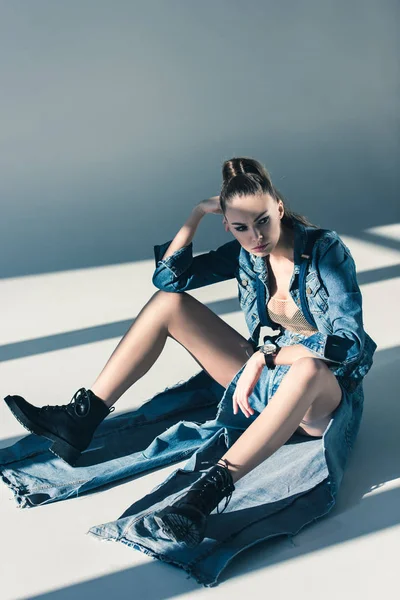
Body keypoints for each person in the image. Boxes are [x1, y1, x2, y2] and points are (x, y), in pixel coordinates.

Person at [3, 156, 376, 549]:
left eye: (263, 220)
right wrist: (196, 214)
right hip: (262, 382)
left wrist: (264, 357)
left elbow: (347, 343)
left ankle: (206, 494)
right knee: (168, 302)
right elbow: (169, 278)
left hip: (318, 398)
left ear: (279, 208)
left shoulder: (324, 250)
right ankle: (81, 419)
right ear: (227, 225)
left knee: (308, 371)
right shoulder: (246, 254)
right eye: (241, 227)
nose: (256, 237)